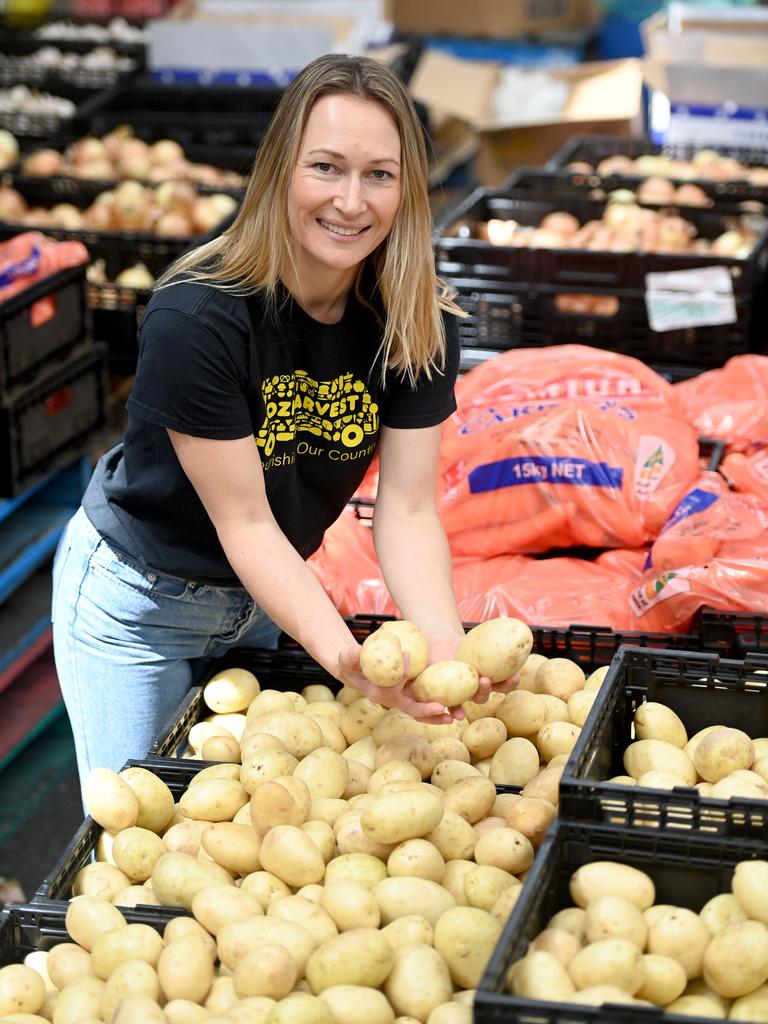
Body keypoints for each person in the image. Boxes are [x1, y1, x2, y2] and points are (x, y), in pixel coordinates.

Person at [52, 53, 516, 782]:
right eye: (326, 167)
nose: (351, 202)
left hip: (265, 596)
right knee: (137, 835)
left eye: (380, 174)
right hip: (140, 609)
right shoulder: (199, 318)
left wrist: (447, 648)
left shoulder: (415, 321)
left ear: (408, 191)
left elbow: (407, 509)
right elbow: (246, 524)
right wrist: (344, 659)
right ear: (280, 172)